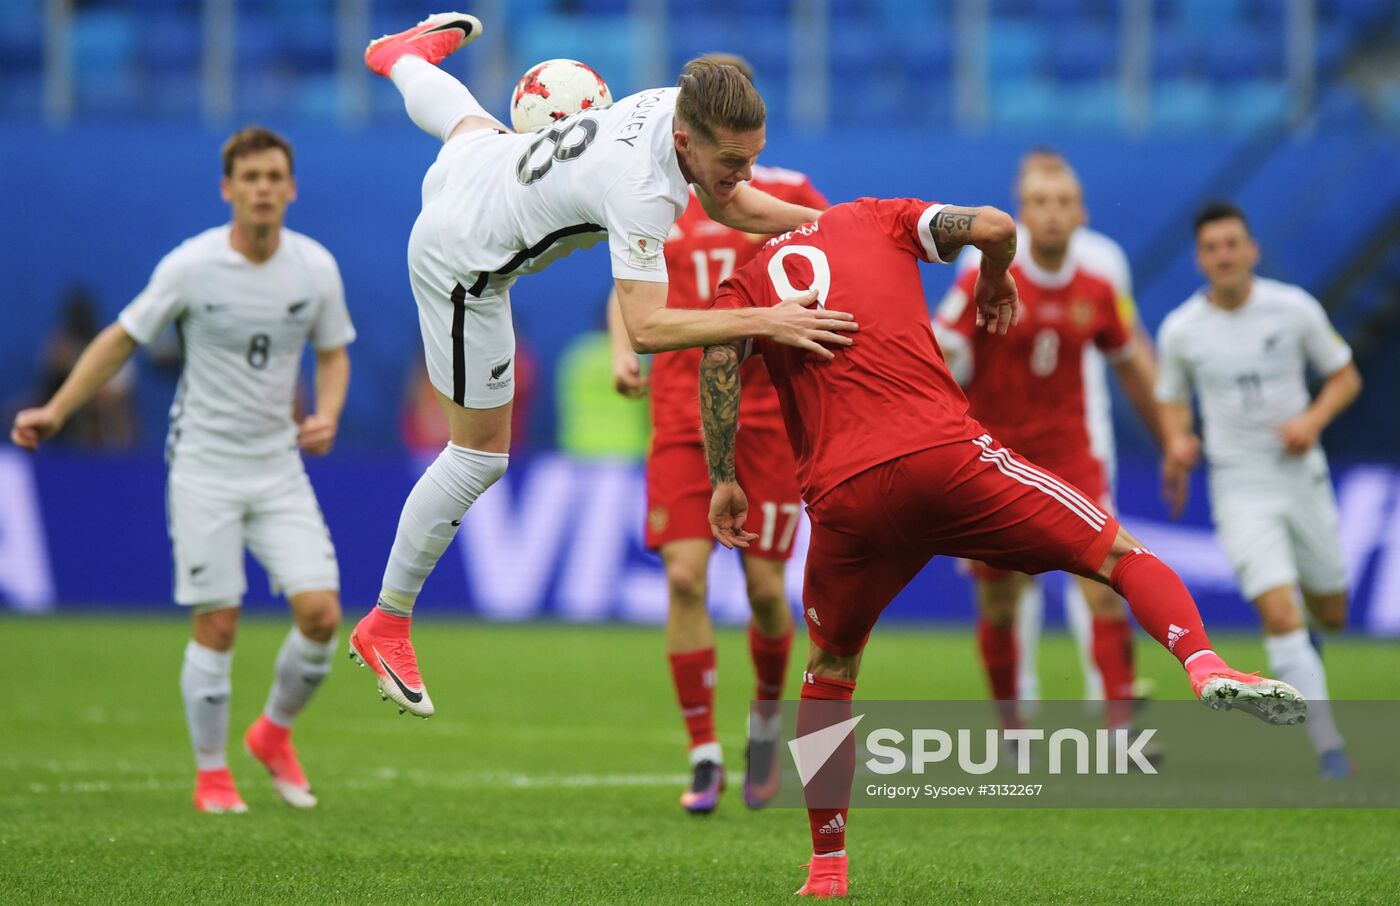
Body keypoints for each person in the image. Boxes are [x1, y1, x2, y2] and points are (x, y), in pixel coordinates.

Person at [697, 196, 1305, 897]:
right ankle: (1202, 664)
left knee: (830, 671)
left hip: (844, 499)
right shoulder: (871, 216)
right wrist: (995, 273)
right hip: (944, 458)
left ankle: (828, 864)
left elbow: (717, 359)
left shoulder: (744, 283)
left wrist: (723, 478)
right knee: (1115, 556)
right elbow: (996, 226)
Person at [349, 13, 856, 718]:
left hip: (480, 165)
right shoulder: (643, 190)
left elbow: (729, 198)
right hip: (459, 265)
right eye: (732, 161)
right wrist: (769, 319)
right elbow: (647, 329)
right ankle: (388, 620)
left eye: (749, 159)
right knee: (477, 457)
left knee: (470, 127)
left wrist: (829, 223)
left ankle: (402, 59)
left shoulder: (667, 103)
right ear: (686, 142)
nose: (741, 175)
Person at [10, 127, 355, 814]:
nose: (262, 188)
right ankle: (210, 775)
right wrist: (54, 409)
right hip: (203, 464)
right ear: (227, 189)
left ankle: (271, 734)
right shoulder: (191, 267)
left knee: (321, 616)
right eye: (249, 177)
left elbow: (335, 351)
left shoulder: (315, 268)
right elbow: (120, 340)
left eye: (273, 177)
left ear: (292, 188)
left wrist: (329, 415)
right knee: (219, 622)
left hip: (277, 466)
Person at [605, 51, 829, 813]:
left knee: (767, 590)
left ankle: (765, 719)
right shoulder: (657, 192)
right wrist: (619, 348)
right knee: (683, 577)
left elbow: (832, 268)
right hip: (678, 413)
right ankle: (703, 752)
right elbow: (629, 284)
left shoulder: (788, 192)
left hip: (767, 420)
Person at [936, 157, 1160, 732]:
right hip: (997, 458)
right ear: (1022, 213)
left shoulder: (1099, 286)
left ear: (1082, 213)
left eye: (1064, 202)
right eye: (1041, 202)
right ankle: (1012, 726)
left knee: (1107, 581)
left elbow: (1129, 357)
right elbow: (940, 354)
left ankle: (1120, 729)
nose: (1054, 213)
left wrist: (1173, 435)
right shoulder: (981, 276)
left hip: (1070, 456)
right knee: (1001, 601)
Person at [1157, 201, 1361, 780]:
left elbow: (1346, 377)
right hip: (1238, 486)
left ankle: (1308, 651)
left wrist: (1311, 422)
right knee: (1278, 608)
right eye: (1212, 247)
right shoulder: (1181, 330)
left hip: (1302, 477)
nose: (1223, 255)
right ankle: (1330, 749)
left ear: (1252, 250)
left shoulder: (1292, 309)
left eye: (1232, 244)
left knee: (1333, 611)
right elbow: (1172, 406)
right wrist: (1178, 442)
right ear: (1200, 259)